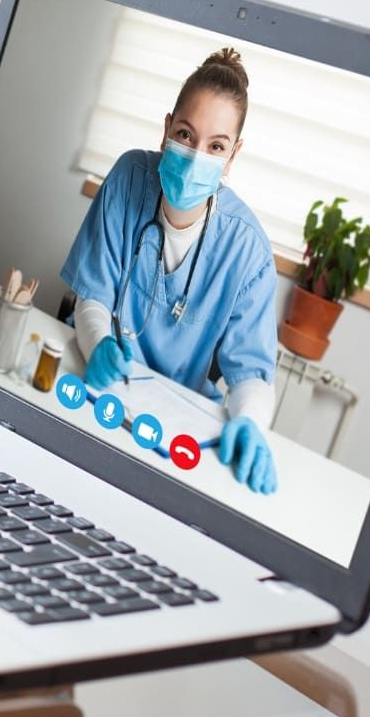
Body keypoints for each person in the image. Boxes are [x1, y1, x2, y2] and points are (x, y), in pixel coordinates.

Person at [59, 48, 280, 494]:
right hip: (96, 388)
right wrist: (98, 342)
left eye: (216, 146)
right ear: (166, 130)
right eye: (185, 134)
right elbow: (93, 297)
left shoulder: (248, 252)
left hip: (169, 425)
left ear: (232, 156)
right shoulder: (127, 178)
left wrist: (252, 422)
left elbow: (250, 374)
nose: (197, 156)